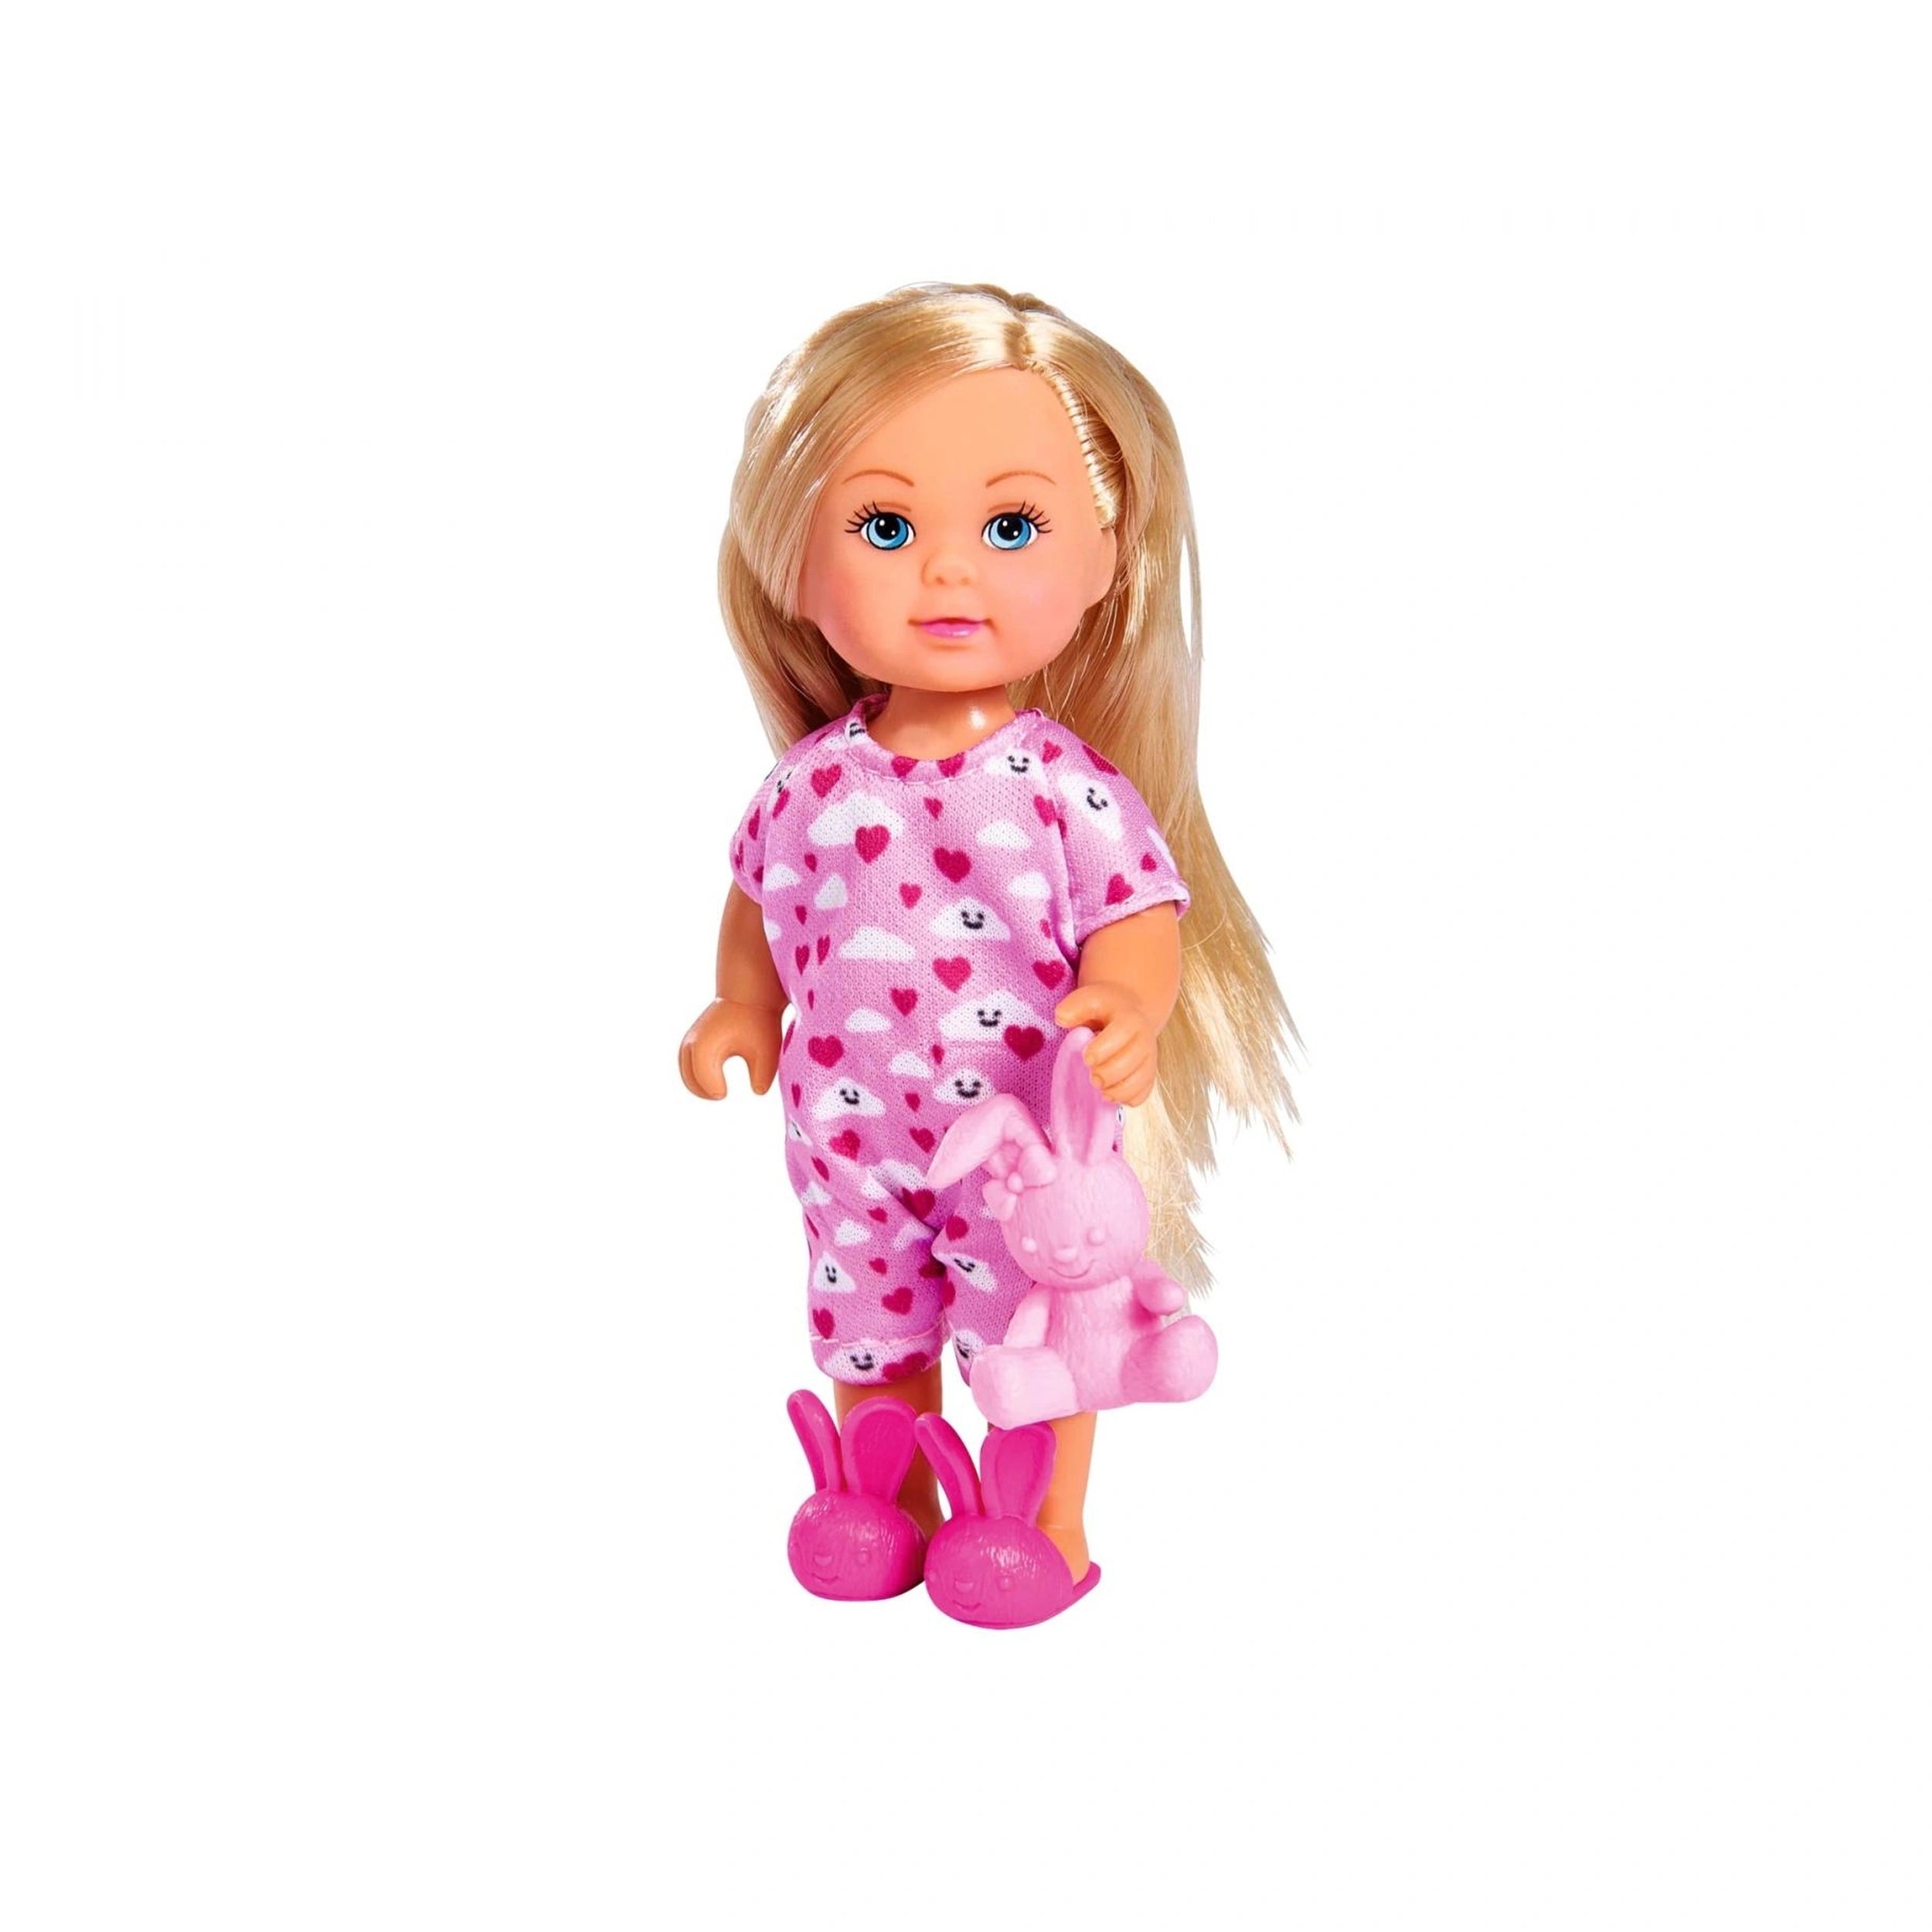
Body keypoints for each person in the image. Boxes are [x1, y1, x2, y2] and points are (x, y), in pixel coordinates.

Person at [678, 283, 1295, 1615]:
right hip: (849, 1132)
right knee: (867, 1313)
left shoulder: (1063, 788)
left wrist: (1128, 1003)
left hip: (1021, 1141)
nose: (947, 571)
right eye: (886, 528)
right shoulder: (809, 785)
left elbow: (1139, 915)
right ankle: (882, 1501)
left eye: (1011, 528)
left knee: (1036, 1325)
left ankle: (1039, 1525)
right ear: (794, 559)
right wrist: (738, 1008)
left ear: (1105, 558)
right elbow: (758, 904)